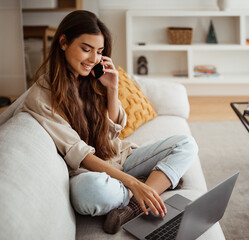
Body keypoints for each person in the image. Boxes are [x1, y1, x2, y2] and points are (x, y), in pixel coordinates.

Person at [22, 10, 197, 234]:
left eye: (99, 52)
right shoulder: (41, 96)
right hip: (87, 173)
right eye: (86, 49)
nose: (93, 59)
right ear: (63, 42)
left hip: (118, 158)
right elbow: (81, 155)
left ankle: (133, 206)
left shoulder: (91, 80)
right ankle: (154, 183)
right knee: (92, 193)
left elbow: (114, 132)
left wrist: (112, 89)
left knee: (186, 144)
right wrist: (134, 183)